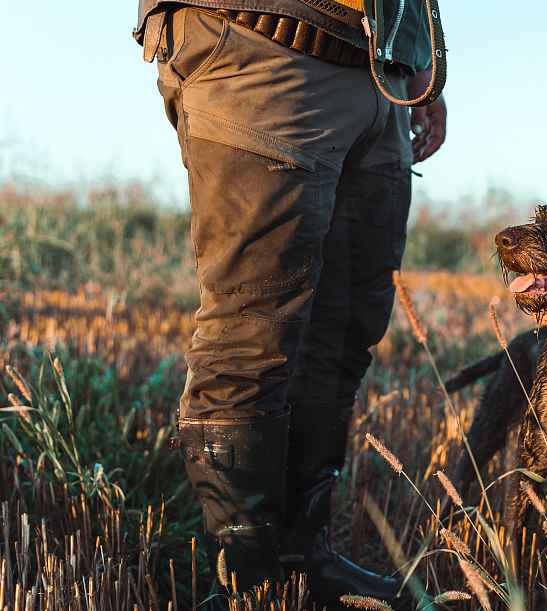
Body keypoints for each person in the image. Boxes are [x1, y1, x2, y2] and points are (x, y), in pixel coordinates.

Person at [132, 0, 446, 605]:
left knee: (344, 332)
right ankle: (248, 578)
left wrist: (418, 58)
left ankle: (306, 563)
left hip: (379, 66)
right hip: (262, 41)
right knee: (252, 331)